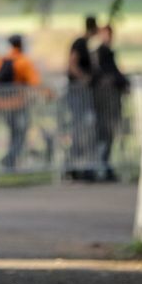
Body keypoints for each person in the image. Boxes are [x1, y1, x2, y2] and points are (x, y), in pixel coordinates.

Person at [0, 34, 42, 170]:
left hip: (0, 104)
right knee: (20, 133)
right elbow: (35, 83)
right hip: (19, 104)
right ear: (21, 45)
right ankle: (9, 159)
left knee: (15, 133)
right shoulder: (23, 61)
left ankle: (10, 161)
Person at [92, 24, 130, 181]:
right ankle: (101, 168)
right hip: (105, 100)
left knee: (109, 135)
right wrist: (122, 82)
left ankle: (105, 167)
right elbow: (109, 72)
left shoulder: (105, 52)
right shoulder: (102, 53)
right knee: (104, 133)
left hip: (109, 100)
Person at [64, 15, 99, 177]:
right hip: (78, 92)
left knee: (85, 128)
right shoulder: (80, 43)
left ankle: (82, 165)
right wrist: (84, 78)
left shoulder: (86, 45)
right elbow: (72, 64)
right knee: (80, 128)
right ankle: (72, 165)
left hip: (82, 93)